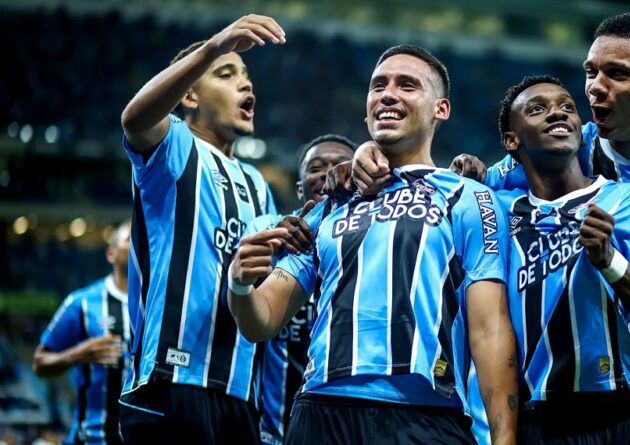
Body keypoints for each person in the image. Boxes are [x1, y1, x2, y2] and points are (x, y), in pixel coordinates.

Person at [345, 11, 630, 445]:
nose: (595, 88)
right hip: (626, 404)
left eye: (616, 74)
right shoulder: (564, 152)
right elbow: (446, 183)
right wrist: (370, 153)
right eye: (590, 73)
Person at [228, 44, 518, 444]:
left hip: (423, 415)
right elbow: (260, 321)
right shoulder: (330, 206)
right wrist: (240, 284)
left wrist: (505, 437)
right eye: (378, 85)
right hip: (319, 413)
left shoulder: (468, 197)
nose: (388, 94)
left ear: (441, 109)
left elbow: (490, 330)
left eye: (407, 85)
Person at [118, 14, 285, 444]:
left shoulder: (258, 185)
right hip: (170, 382)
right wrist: (213, 47)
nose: (245, 83)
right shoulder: (175, 146)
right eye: (226, 74)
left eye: (245, 76)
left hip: (239, 394)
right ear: (189, 95)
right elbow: (134, 120)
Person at [494, 74, 630, 443]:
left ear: (581, 134)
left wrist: (609, 261)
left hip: (626, 416)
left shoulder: (628, 201)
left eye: (567, 107)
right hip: (542, 423)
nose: (558, 114)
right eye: (537, 109)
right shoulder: (495, 213)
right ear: (511, 140)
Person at [255, 134, 355, 445]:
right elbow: (234, 295)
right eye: (316, 167)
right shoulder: (272, 230)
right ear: (300, 188)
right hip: (275, 432)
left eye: (341, 165)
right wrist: (272, 242)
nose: (329, 174)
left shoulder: (376, 243)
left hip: (346, 423)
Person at [33, 223, 132, 445]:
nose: (137, 245)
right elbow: (39, 363)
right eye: (129, 239)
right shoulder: (82, 303)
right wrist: (78, 354)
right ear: (111, 253)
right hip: (93, 439)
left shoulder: (158, 306)